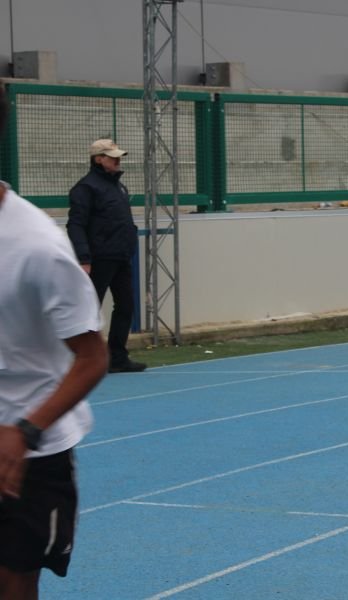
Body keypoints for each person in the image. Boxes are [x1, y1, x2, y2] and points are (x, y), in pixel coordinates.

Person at [0, 86, 109, 599]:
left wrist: (25, 431)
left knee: (13, 579)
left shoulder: (37, 248)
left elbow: (92, 358)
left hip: (29, 449)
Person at [67, 138, 146, 373]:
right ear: (99, 159)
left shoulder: (118, 187)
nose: (118, 160)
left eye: (118, 157)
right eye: (112, 157)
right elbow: (76, 225)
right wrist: (84, 258)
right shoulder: (85, 188)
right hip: (99, 257)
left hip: (121, 255)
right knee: (90, 309)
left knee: (126, 305)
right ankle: (84, 358)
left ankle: (117, 357)